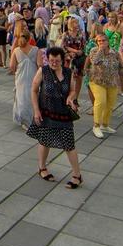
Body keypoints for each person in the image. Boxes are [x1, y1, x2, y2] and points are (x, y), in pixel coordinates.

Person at [26, 45, 83, 188]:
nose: (54, 63)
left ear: (62, 60)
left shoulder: (68, 73)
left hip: (63, 114)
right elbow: (33, 91)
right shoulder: (43, 71)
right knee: (44, 141)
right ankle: (42, 168)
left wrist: (70, 98)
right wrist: (36, 110)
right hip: (46, 112)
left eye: (57, 61)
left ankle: (77, 175)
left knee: (69, 145)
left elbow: (72, 90)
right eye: (51, 60)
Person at [84, 33, 123, 139]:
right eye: (99, 41)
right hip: (97, 81)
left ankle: (104, 125)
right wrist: (101, 50)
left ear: (108, 41)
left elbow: (121, 67)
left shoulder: (114, 53)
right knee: (100, 101)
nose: (101, 42)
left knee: (110, 104)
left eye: (103, 40)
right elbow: (94, 62)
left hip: (112, 82)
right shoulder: (94, 51)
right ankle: (96, 126)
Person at [10, 30, 39, 129]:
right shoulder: (36, 50)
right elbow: (40, 65)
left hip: (20, 77)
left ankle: (23, 119)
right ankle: (33, 118)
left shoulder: (16, 50)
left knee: (21, 98)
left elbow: (12, 66)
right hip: (33, 76)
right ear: (30, 39)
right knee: (33, 97)